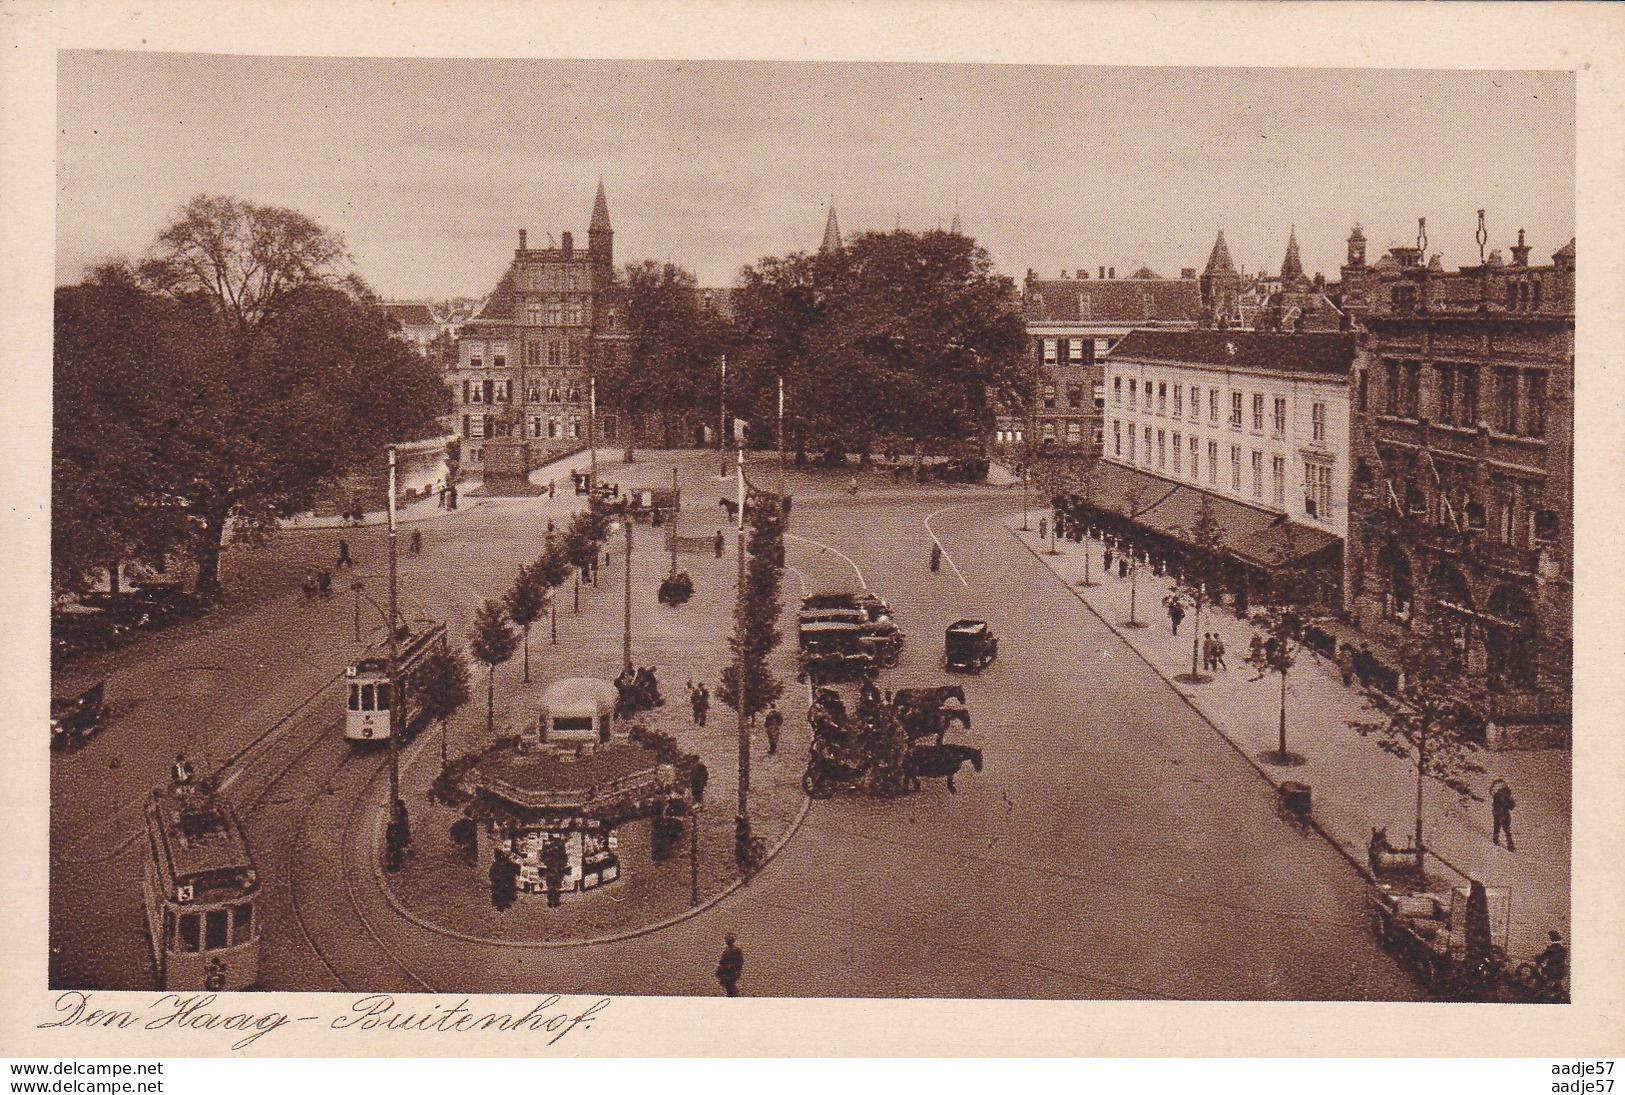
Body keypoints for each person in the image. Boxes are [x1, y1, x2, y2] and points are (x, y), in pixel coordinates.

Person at [1491, 778, 1516, 850]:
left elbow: (1495, 804)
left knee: (1497, 827)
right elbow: (1512, 806)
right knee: (1507, 829)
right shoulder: (1508, 796)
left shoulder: (1497, 795)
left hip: (1498, 813)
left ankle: (1495, 840)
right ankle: (1510, 845)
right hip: (1505, 814)